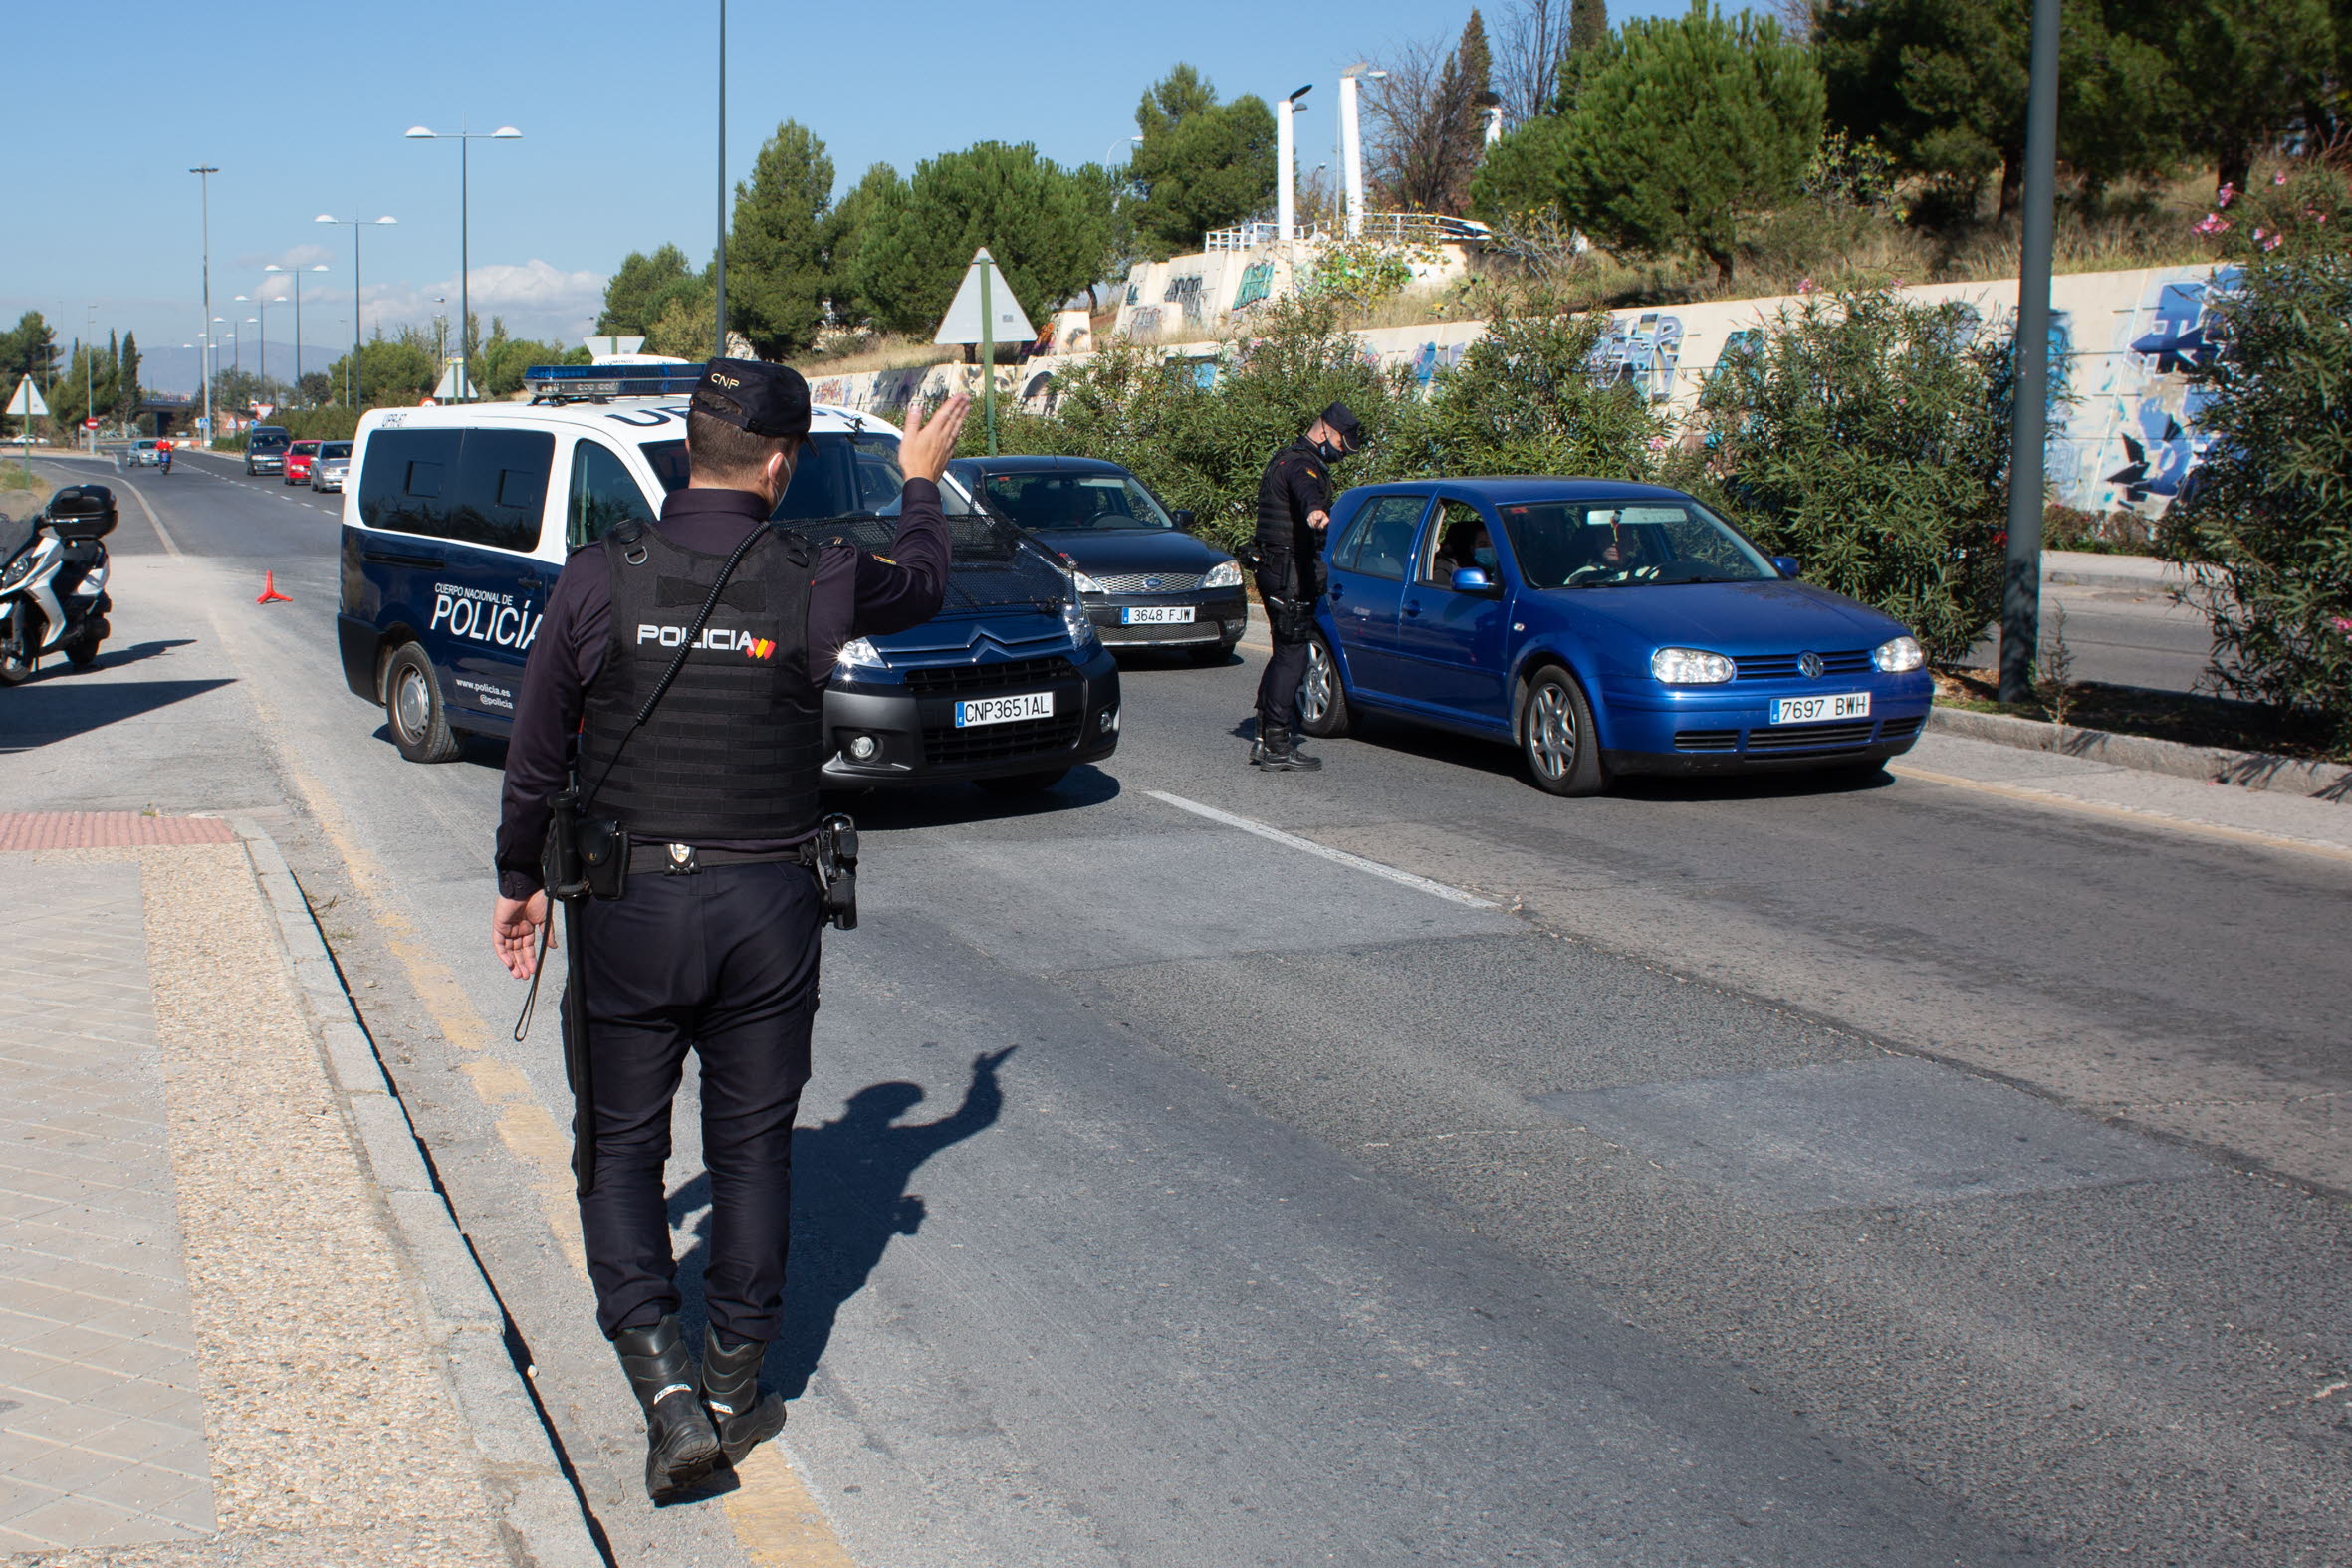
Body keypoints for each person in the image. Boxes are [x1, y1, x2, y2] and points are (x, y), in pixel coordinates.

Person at [489, 359, 971, 1502]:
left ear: (689, 449)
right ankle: (730, 1376)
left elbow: (532, 755)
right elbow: (931, 581)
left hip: (627, 910)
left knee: (619, 1146)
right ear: (779, 462)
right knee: (751, 1149)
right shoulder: (822, 573)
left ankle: (662, 1391)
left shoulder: (601, 577)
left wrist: (519, 881)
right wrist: (916, 480)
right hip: (767, 911)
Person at [1250, 401, 1362, 771]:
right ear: (1326, 430)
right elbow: (1306, 492)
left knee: (1284, 649)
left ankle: (1266, 735)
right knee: (1293, 652)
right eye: (1342, 443)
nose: (1343, 452)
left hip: (1273, 567)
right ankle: (1277, 743)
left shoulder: (1283, 457)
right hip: (1287, 572)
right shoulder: (1302, 465)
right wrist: (1316, 513)